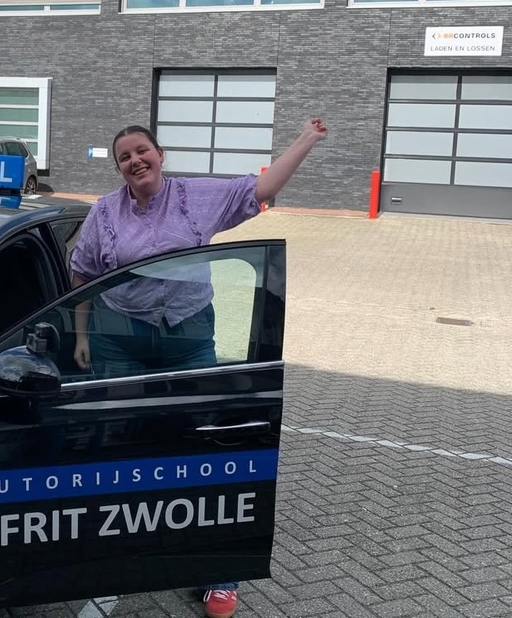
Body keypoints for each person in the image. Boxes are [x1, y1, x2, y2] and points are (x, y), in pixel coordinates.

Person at [69, 117, 328, 618]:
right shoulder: (104, 212)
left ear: (160, 154)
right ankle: (115, 563)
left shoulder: (195, 197)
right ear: (119, 167)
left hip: (188, 339)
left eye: (142, 151)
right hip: (120, 341)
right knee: (122, 450)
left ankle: (220, 575)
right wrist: (81, 336)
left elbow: (261, 189)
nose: (135, 161)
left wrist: (305, 139)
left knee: (205, 448)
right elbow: (83, 273)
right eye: (124, 157)